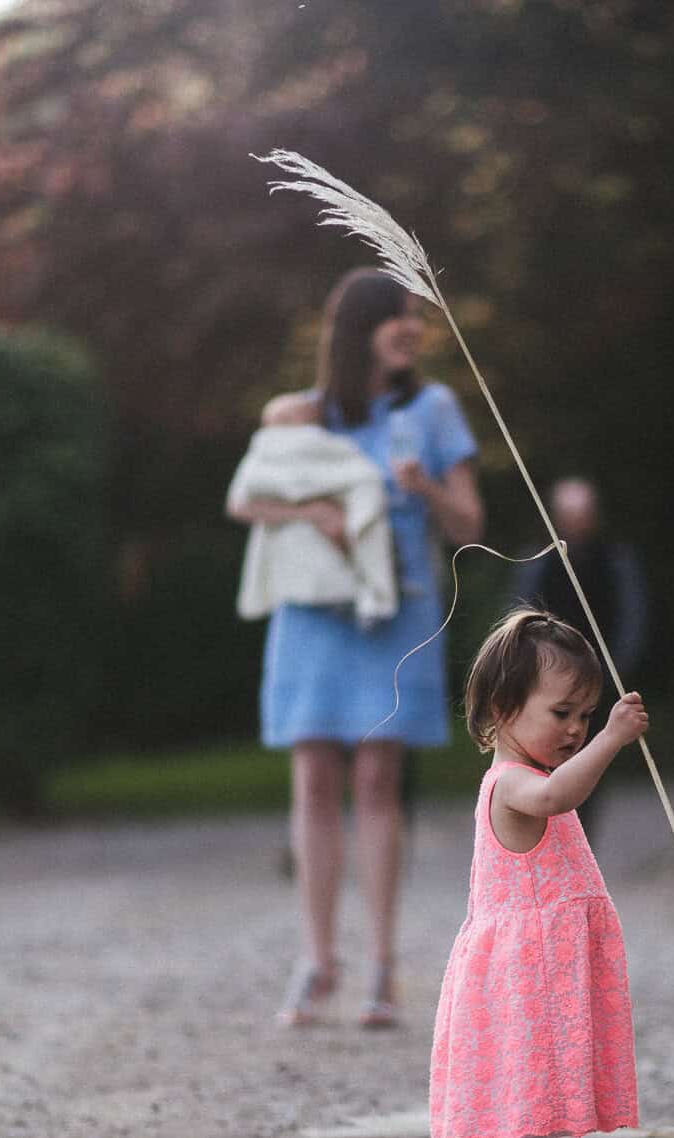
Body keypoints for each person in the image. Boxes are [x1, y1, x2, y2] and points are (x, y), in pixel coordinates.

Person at [228, 267, 483, 1028]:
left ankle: (380, 963)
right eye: (395, 316)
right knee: (311, 776)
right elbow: (245, 500)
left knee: (376, 779)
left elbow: (470, 524)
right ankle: (317, 958)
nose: (409, 329)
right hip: (313, 610)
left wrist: (424, 488)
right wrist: (311, 511)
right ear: (358, 328)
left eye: (412, 317)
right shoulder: (301, 415)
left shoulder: (435, 410)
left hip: (395, 611)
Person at [429, 609, 647, 1138]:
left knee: (503, 1070)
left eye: (585, 716)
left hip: (512, 959)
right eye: (562, 714)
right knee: (534, 1075)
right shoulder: (516, 783)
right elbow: (558, 800)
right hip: (531, 967)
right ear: (502, 708)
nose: (577, 730)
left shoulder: (522, 775)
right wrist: (612, 739)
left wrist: (594, 737)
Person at [511, 478, 650, 844]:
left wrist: (616, 669)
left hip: (600, 681)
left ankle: (580, 839)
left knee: (592, 757)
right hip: (547, 684)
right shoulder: (538, 562)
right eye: (569, 515)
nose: (577, 523)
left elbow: (632, 617)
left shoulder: (616, 560)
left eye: (583, 514)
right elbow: (520, 618)